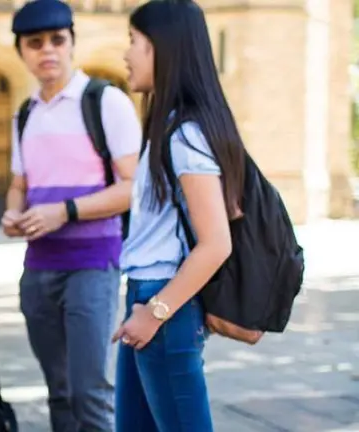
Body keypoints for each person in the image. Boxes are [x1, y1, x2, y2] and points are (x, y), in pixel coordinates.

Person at [3, 1, 141, 431]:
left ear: (72, 44)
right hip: (38, 268)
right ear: (21, 51)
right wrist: (11, 214)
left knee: (90, 392)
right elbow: (19, 185)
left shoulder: (106, 101)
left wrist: (65, 211)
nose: (47, 50)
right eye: (35, 42)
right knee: (59, 392)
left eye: (57, 40)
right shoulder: (24, 113)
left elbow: (133, 187)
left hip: (93, 266)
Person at [112, 1, 246, 430]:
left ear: (163, 49)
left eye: (134, 42)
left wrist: (155, 311)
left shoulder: (185, 134)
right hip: (148, 294)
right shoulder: (168, 128)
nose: (126, 54)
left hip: (164, 299)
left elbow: (216, 241)